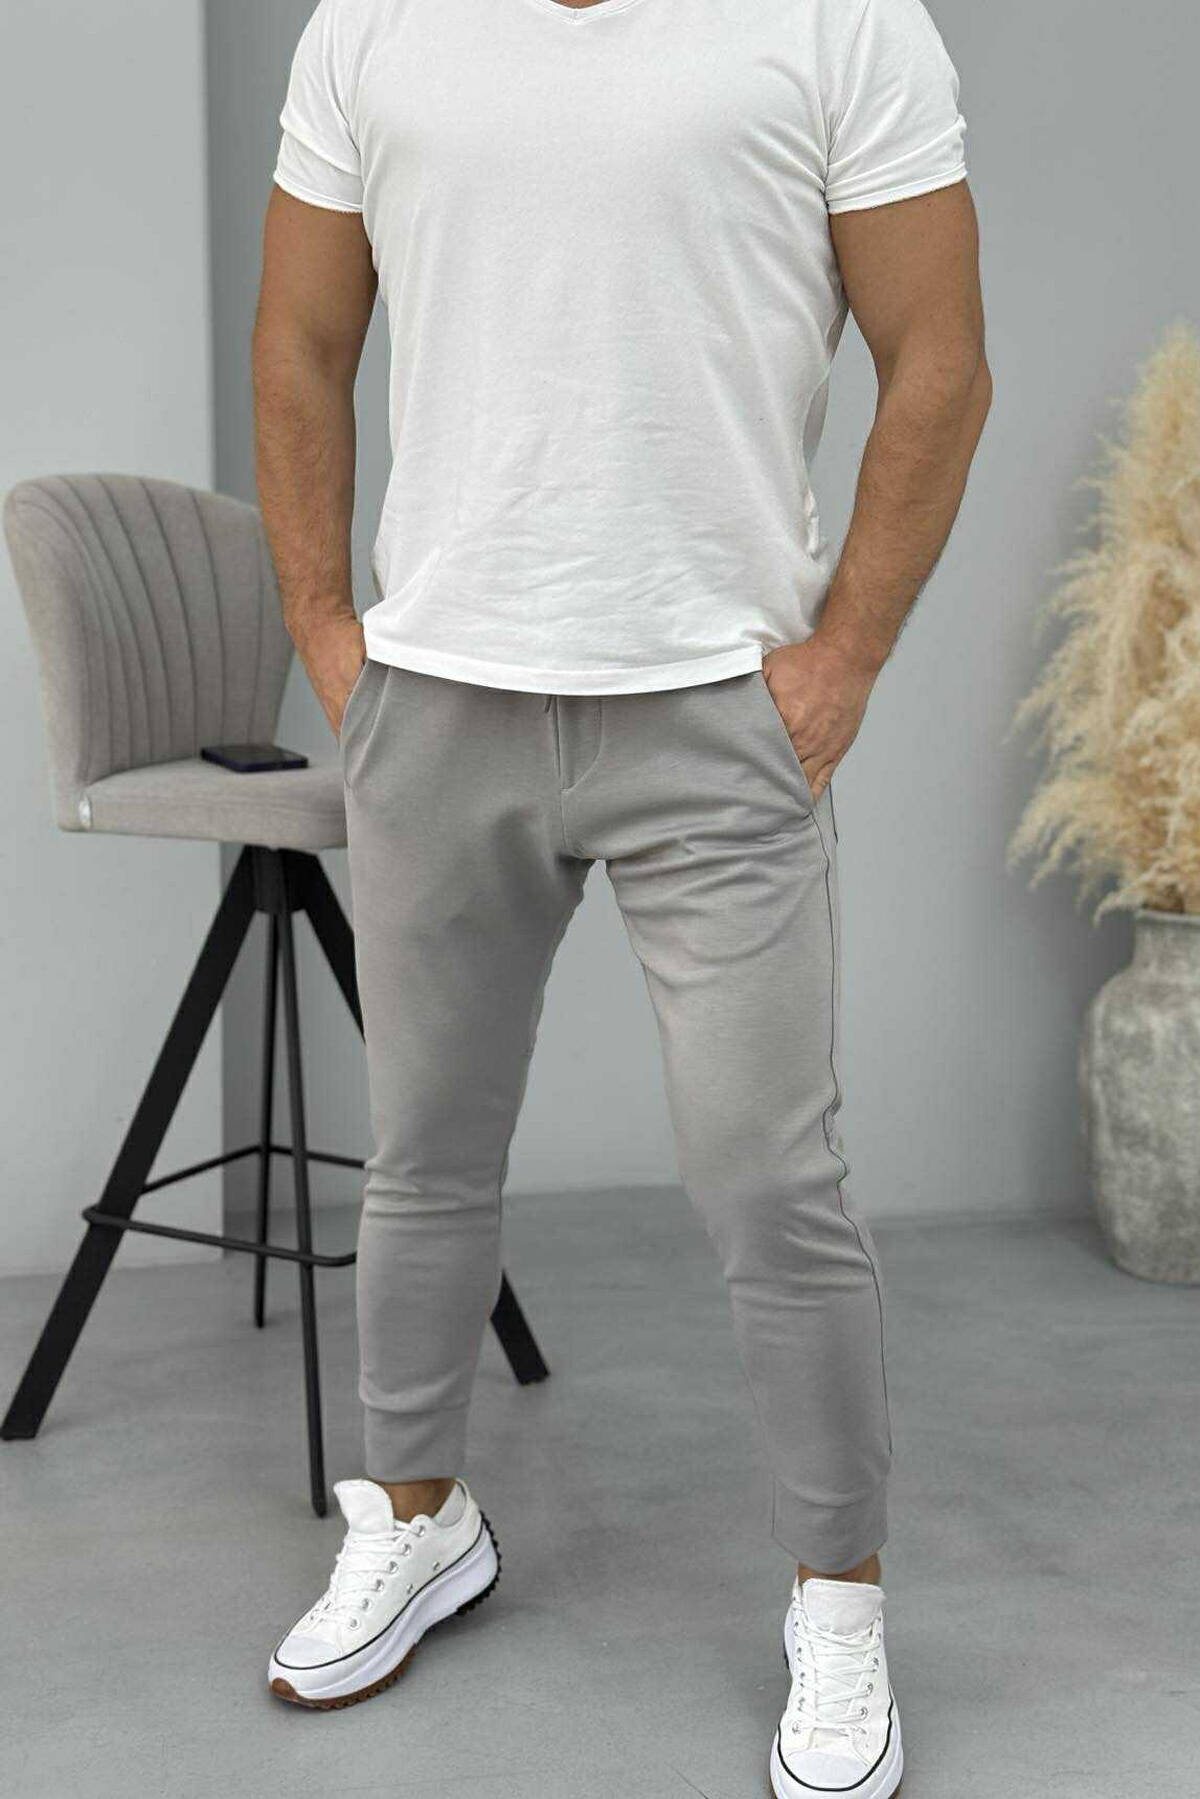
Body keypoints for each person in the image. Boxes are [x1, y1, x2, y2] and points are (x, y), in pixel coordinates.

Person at [252, 0, 989, 1790]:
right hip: (442, 700)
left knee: (771, 1180)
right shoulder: (371, 23)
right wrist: (328, 630)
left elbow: (943, 361)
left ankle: (839, 1603)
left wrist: (847, 656)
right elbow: (299, 340)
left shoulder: (843, 22)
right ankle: (415, 1517)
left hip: (716, 705)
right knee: (425, 1152)